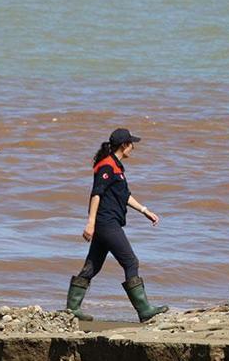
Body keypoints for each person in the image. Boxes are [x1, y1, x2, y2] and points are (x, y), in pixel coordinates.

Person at [65, 128, 168, 323]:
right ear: (124, 145)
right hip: (106, 223)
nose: (133, 148)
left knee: (92, 267)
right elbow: (96, 193)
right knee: (130, 262)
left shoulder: (116, 167)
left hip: (106, 223)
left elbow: (124, 195)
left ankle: (72, 308)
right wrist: (91, 223)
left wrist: (145, 211)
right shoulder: (107, 166)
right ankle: (144, 310)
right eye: (132, 144)